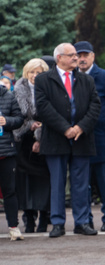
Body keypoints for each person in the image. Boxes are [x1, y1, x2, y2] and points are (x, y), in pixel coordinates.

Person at [34, 43, 101, 237]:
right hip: (56, 138)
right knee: (57, 182)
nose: (76, 58)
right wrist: (65, 129)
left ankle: (81, 222)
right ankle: (57, 223)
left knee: (81, 183)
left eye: (76, 55)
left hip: (82, 138)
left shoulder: (86, 80)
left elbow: (95, 106)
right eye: (71, 55)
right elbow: (43, 107)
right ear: (59, 58)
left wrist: (80, 127)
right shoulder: (44, 80)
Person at [73, 41, 105, 231]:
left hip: (102, 136)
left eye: (86, 55)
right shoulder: (72, 77)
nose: (82, 58)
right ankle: (86, 219)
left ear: (93, 56)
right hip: (81, 137)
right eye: (79, 55)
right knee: (83, 182)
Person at [13, 58, 50, 233]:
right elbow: (15, 115)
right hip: (23, 139)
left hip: (45, 138)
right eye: (32, 72)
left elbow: (51, 114)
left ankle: (44, 216)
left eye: (39, 72)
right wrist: (29, 126)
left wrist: (39, 137)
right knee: (24, 181)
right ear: (26, 73)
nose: (35, 76)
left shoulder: (50, 89)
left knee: (43, 180)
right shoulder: (18, 90)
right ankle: (28, 218)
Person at [0, 76, 24, 240]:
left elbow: (19, 119)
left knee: (10, 190)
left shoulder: (7, 95)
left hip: (5, 152)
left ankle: (13, 227)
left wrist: (6, 121)